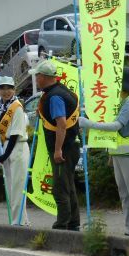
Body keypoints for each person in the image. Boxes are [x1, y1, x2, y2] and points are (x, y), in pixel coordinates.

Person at [79, 67, 129, 238]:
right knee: (126, 195)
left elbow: (116, 126)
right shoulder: (124, 101)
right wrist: (112, 154)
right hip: (122, 155)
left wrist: (88, 123)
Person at [30, 60, 80, 231]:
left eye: (37, 76)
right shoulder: (62, 91)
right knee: (68, 185)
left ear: (43, 77)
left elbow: (61, 124)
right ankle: (74, 223)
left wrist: (58, 149)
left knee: (59, 188)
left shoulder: (55, 96)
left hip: (64, 149)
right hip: (72, 146)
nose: (36, 79)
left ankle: (62, 223)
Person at [0, 76, 30, 225]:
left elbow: (15, 133)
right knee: (10, 188)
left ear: (14, 89)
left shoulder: (17, 107)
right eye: (2, 88)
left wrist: (5, 155)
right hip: (8, 146)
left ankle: (19, 222)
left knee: (17, 188)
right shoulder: (1, 107)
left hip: (18, 148)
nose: (6, 91)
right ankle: (21, 221)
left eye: (9, 88)